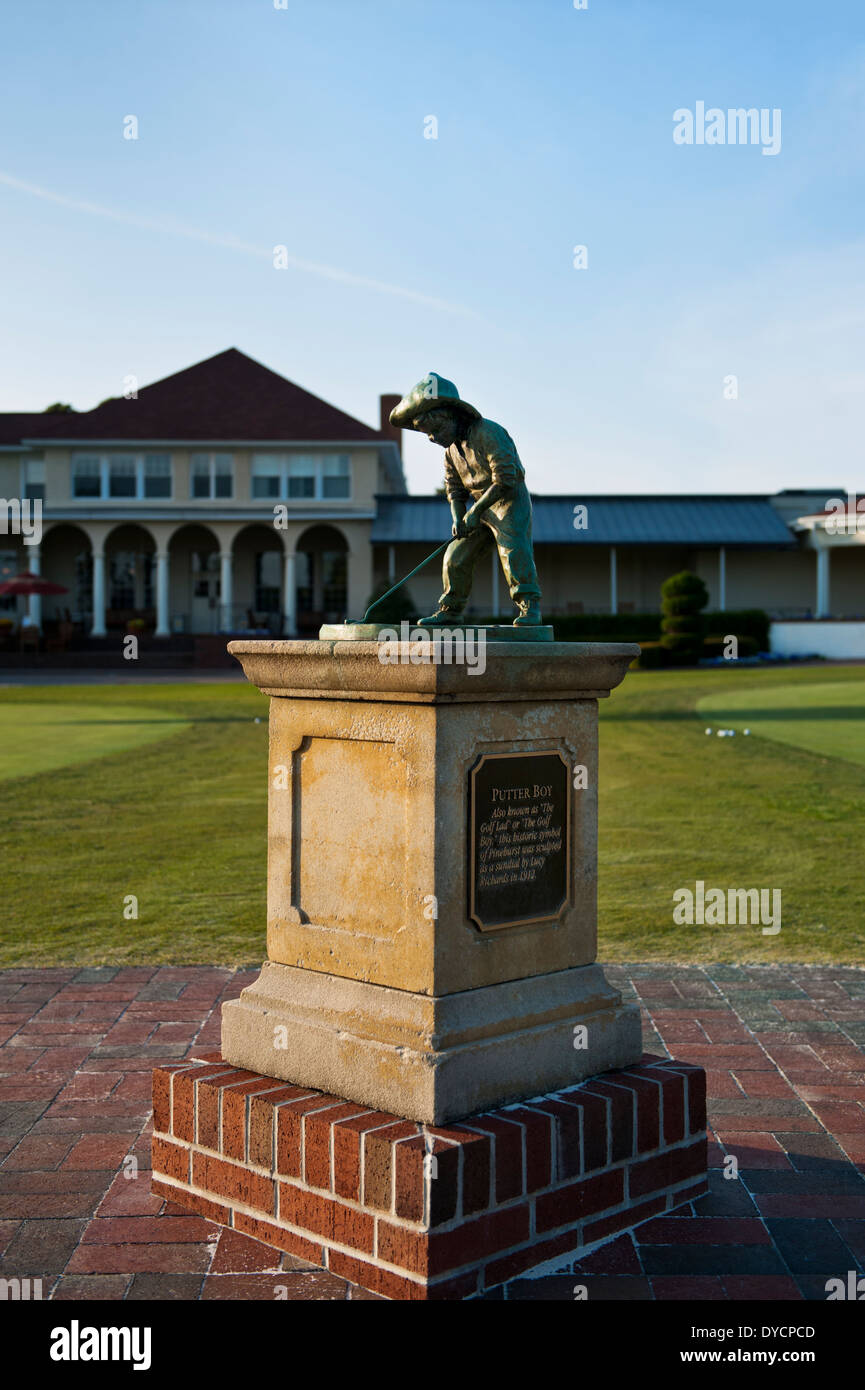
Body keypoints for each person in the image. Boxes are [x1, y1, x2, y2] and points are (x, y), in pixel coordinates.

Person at [389, 373, 542, 626]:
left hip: (508, 500)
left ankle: (529, 608)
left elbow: (505, 479)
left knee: (513, 551)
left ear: (452, 416)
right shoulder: (450, 452)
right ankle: (451, 609)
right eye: (428, 435)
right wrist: (459, 518)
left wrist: (475, 511)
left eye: (437, 430)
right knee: (455, 555)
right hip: (480, 507)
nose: (434, 438)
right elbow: (455, 490)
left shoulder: (488, 432)